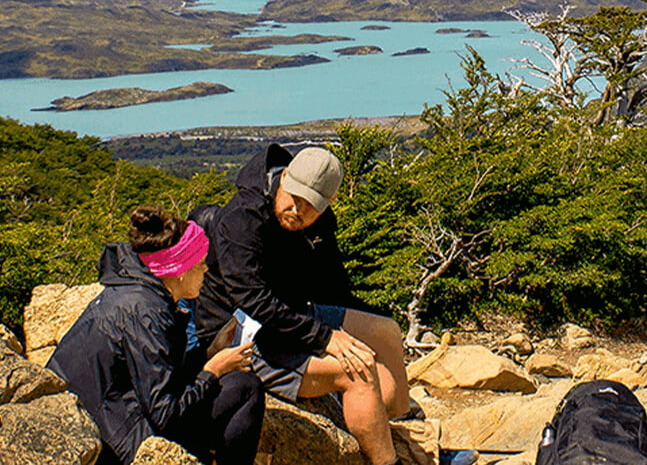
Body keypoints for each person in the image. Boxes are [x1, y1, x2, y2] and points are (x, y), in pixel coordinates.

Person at [191, 144, 410, 465]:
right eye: (294, 198)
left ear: (328, 203)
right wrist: (325, 338)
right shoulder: (242, 218)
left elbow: (332, 284)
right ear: (283, 180)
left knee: (387, 332)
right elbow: (251, 299)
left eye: (311, 206)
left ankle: (394, 427)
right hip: (242, 333)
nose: (298, 210)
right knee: (359, 372)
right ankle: (388, 461)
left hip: (291, 312)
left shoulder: (318, 220)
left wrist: (353, 324)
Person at [47, 206, 263, 465]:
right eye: (201, 264)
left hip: (99, 415)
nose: (206, 271)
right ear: (180, 270)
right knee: (247, 389)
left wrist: (209, 353)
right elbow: (166, 415)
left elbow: (155, 370)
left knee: (236, 384)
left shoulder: (134, 289)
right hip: (115, 439)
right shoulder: (145, 312)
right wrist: (213, 371)